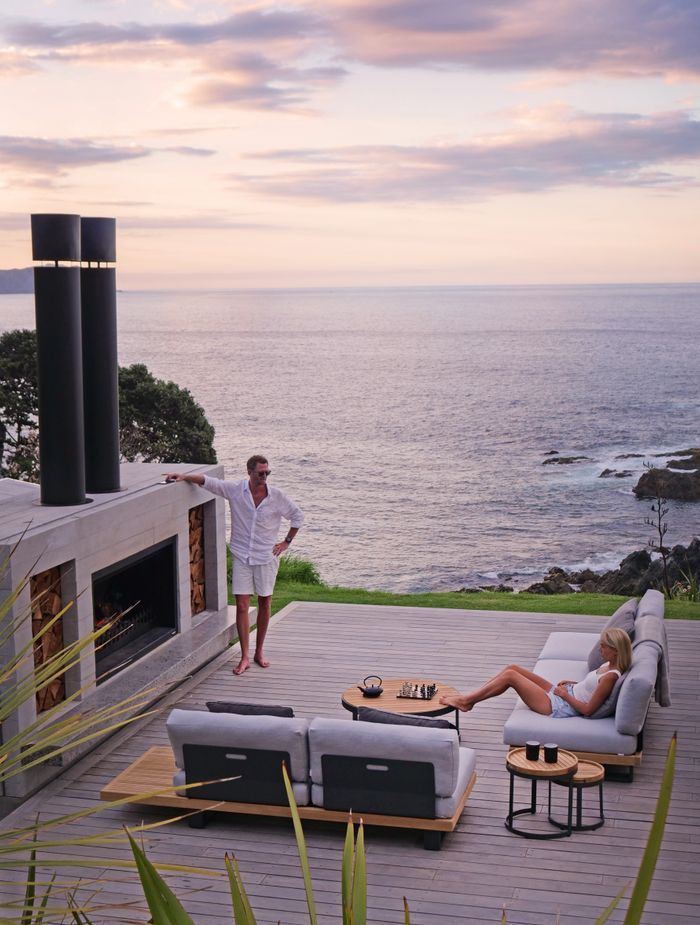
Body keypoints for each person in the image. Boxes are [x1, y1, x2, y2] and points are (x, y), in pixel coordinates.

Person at [164, 455, 304, 675]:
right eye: (260, 473)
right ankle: (245, 656)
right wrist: (183, 476)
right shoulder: (236, 490)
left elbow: (297, 516)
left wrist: (286, 542)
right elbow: (209, 482)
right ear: (249, 472)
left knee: (265, 602)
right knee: (241, 605)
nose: (264, 476)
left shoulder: (277, 496)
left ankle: (259, 652)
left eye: (267, 472)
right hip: (241, 556)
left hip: (266, 557)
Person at [439, 627, 632, 717]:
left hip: (558, 706)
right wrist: (573, 684)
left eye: (604, 646)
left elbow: (588, 710)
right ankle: (470, 699)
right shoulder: (608, 666)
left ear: (616, 650)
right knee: (512, 668)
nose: (600, 649)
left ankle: (466, 701)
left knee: (510, 677)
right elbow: (591, 689)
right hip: (564, 694)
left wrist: (565, 695)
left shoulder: (610, 677)